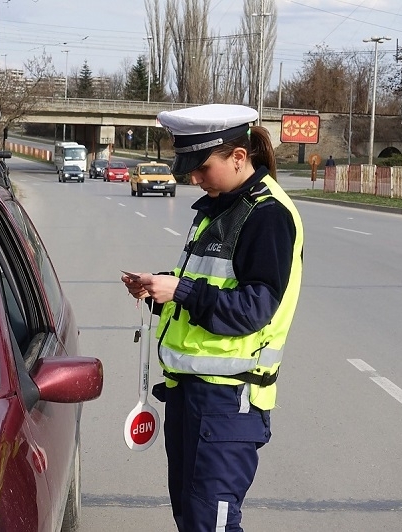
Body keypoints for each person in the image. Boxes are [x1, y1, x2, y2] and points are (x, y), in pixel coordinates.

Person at [121, 104, 304, 532]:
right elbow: (208, 292)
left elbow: (253, 311)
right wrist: (159, 292)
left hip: (229, 401)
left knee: (212, 525)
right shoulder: (221, 207)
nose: (194, 178)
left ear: (238, 157)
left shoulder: (267, 216)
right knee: (191, 518)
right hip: (192, 395)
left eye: (202, 167)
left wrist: (180, 290)